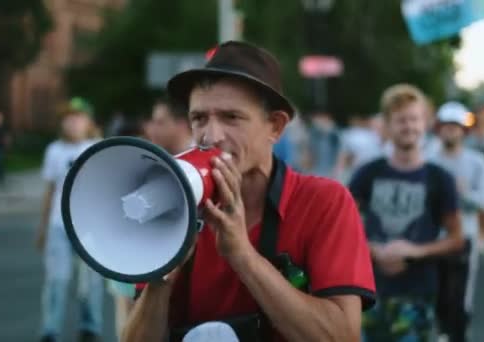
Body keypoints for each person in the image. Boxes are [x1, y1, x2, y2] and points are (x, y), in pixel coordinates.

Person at [123, 41, 376, 342]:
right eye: (199, 118)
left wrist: (242, 256)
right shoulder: (174, 206)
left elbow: (341, 337)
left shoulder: (323, 202)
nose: (211, 136)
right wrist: (162, 277)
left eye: (232, 117)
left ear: (275, 127)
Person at [349, 84, 464, 342]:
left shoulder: (440, 178)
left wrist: (414, 251)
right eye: (400, 120)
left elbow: (457, 239)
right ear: (387, 127)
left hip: (418, 294)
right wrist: (373, 250)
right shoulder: (368, 173)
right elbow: (342, 226)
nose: (408, 126)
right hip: (369, 289)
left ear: (425, 124)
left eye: (414, 119)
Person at [35, 100, 103, 342]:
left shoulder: (96, 148)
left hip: (87, 226)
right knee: (57, 279)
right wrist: (42, 228)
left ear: (88, 122)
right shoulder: (54, 151)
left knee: (90, 282)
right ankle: (50, 330)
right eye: (68, 117)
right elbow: (50, 190)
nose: (72, 122)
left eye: (78, 117)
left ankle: (90, 326)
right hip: (58, 225)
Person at [430, 102, 484, 342]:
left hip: (465, 235)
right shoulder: (429, 158)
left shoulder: (477, 161)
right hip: (433, 236)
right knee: (436, 293)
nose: (450, 131)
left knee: (461, 297)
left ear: (464, 131)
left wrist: (460, 194)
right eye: (446, 126)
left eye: (455, 127)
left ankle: (459, 335)